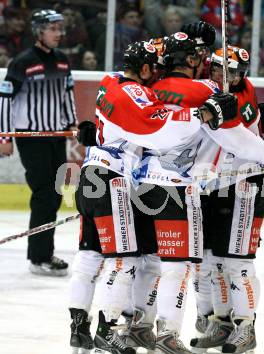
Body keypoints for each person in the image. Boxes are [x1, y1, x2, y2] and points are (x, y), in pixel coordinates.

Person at [69, 38, 238, 354]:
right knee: (125, 261)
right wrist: (203, 114)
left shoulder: (108, 82)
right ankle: (108, 331)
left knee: (89, 258)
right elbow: (160, 127)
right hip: (116, 178)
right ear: (144, 68)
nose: (156, 75)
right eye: (153, 68)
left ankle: (79, 331)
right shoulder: (137, 92)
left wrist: (93, 129)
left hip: (92, 172)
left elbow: (113, 122)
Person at [190, 45, 264, 354]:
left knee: (238, 263)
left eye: (231, 72)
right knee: (214, 261)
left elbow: (235, 136)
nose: (224, 76)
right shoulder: (215, 93)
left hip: (247, 185)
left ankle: (246, 327)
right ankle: (221, 323)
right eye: (219, 69)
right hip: (219, 187)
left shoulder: (240, 98)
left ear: (242, 75)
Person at [0, 9, 77, 276]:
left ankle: (43, 253)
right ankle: (39, 256)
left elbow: (67, 96)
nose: (58, 33)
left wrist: (72, 124)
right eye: (53, 29)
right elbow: (5, 100)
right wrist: (4, 136)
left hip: (56, 137)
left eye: (60, 29)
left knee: (54, 192)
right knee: (44, 194)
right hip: (32, 138)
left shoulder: (63, 61)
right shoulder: (22, 62)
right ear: (39, 32)